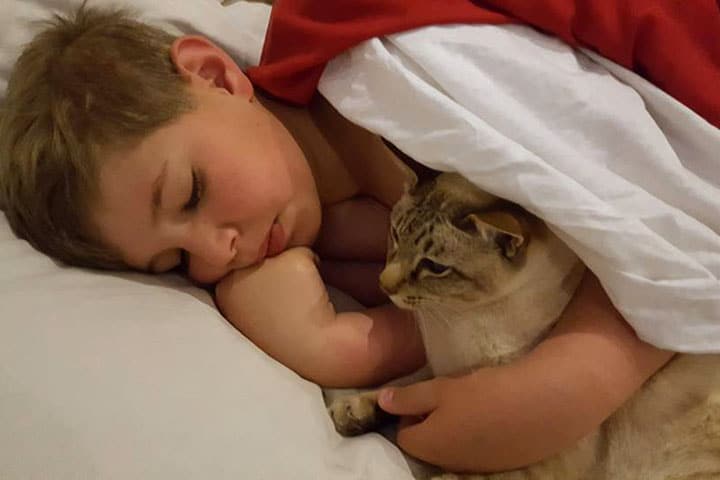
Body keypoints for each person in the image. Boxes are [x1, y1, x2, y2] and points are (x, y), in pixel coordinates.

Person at [0, 4, 674, 474]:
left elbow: (654, 198)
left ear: (214, 75)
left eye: (191, 194)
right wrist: (319, 345)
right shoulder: (328, 243)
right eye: (174, 260)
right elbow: (411, 324)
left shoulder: (395, 79)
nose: (215, 252)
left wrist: (583, 373)